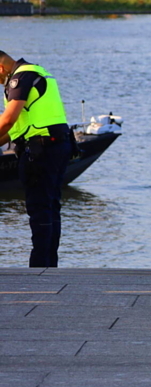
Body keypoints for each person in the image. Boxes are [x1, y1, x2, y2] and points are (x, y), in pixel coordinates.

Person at [0, 50, 72, 267]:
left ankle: (39, 268)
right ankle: (50, 265)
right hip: (57, 146)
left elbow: (8, 120)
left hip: (40, 151)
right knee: (50, 206)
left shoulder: (20, 78)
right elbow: (14, 129)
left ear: (0, 67)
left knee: (39, 208)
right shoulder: (38, 72)